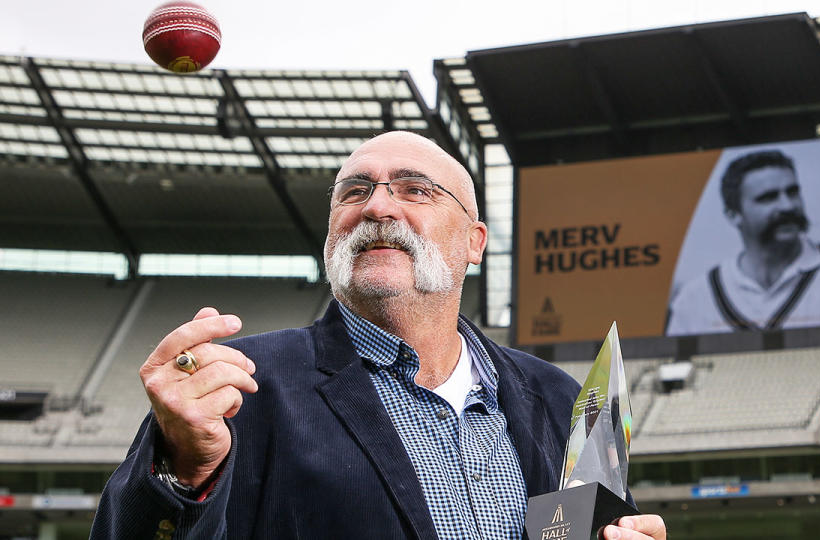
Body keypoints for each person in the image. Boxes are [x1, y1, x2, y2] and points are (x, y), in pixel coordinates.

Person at [91, 131, 666, 540]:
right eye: (354, 192)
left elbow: (593, 527)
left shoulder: (559, 397)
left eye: (415, 189)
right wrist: (182, 471)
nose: (378, 206)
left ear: (474, 242)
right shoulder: (237, 385)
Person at [666, 149, 820, 336]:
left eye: (792, 192)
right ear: (733, 215)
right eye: (768, 198)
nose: (787, 206)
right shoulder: (695, 298)